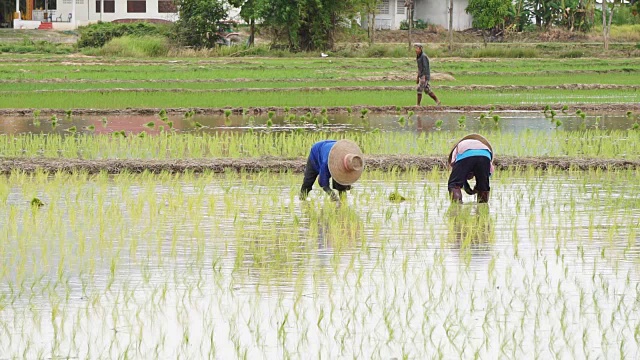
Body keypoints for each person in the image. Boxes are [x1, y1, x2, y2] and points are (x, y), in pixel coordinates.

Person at [300, 139, 364, 202]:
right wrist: (331, 194)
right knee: (308, 181)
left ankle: (343, 202)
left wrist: (346, 184)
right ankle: (302, 199)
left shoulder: (351, 159)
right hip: (317, 152)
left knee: (341, 184)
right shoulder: (326, 163)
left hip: (332, 147)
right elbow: (322, 182)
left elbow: (344, 180)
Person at [447, 134, 494, 204]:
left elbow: (458, 171)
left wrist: (467, 187)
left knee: (454, 184)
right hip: (485, 154)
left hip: (466, 153)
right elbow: (487, 174)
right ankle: (482, 207)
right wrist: (478, 186)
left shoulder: (457, 150)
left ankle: (456, 207)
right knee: (484, 186)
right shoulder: (481, 145)